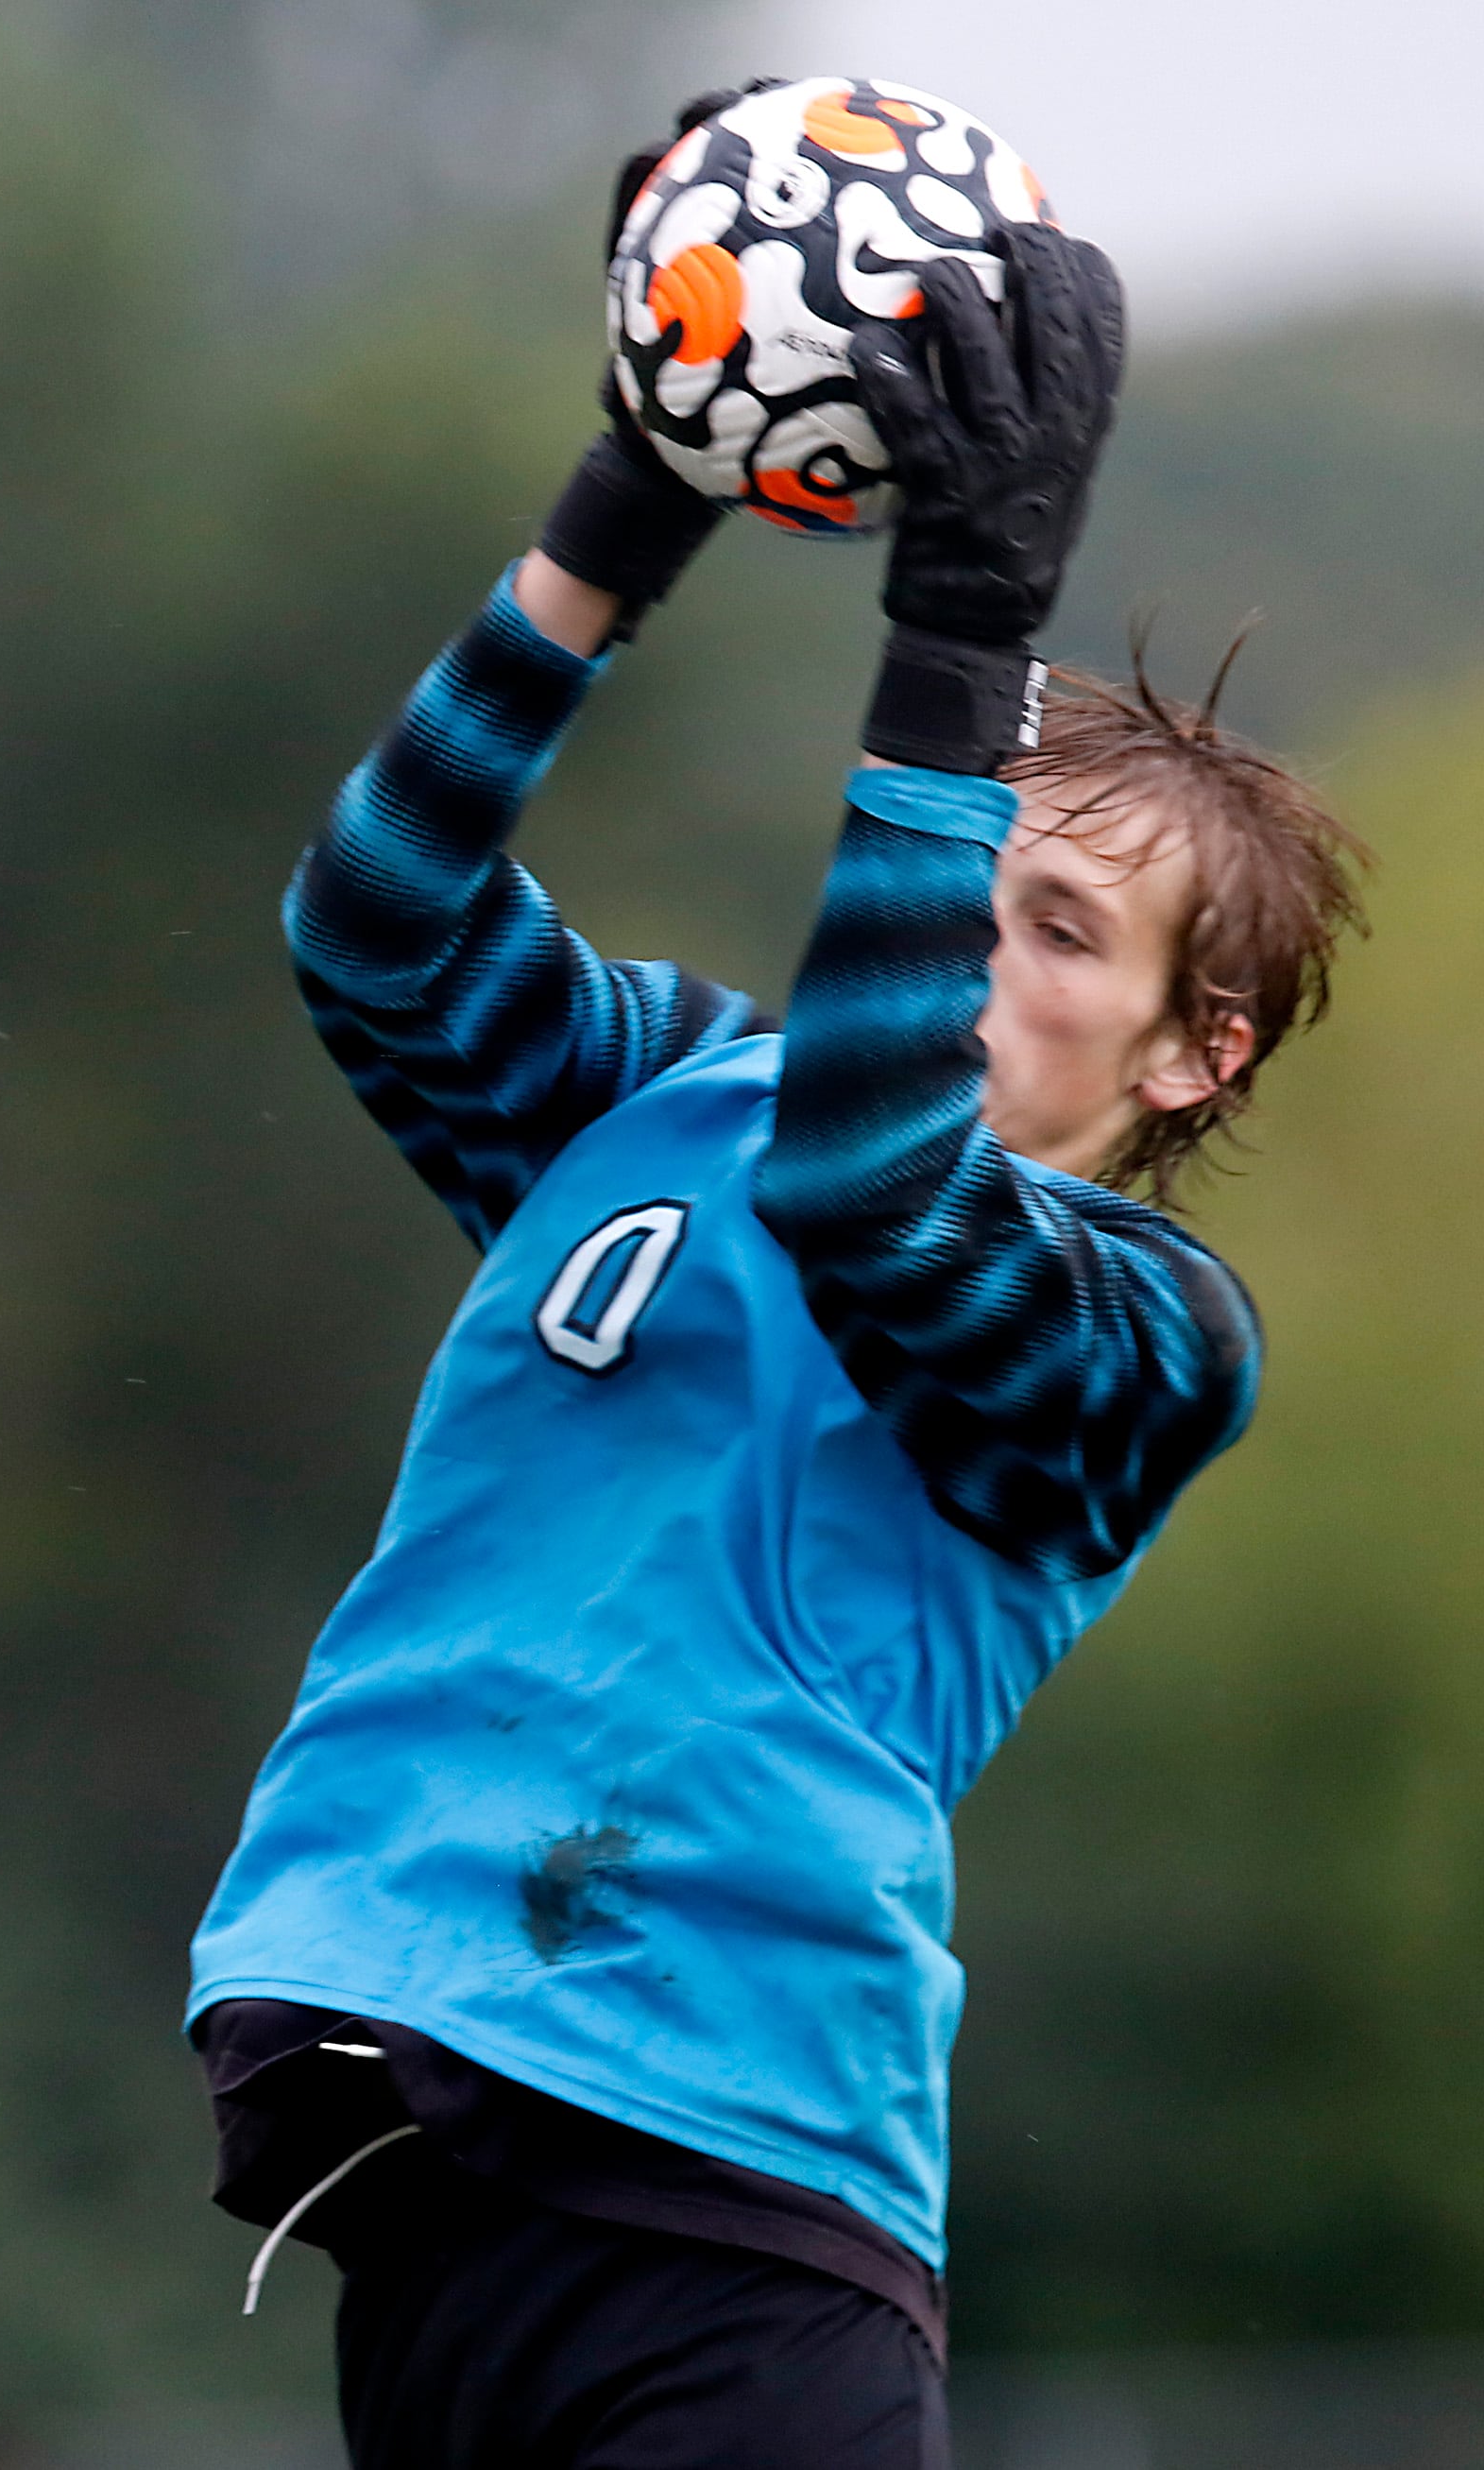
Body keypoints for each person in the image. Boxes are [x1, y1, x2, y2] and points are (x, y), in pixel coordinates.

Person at [184, 107, 1365, 2470]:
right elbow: (379, 915)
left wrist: (958, 637)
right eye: (977, 884)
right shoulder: (672, 1099)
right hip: (437, 2144)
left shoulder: (1140, 1337)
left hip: (736, 2213)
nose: (970, 946)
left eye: (1056, 932)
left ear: (1191, 1050)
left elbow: (869, 1187)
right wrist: (630, 499)